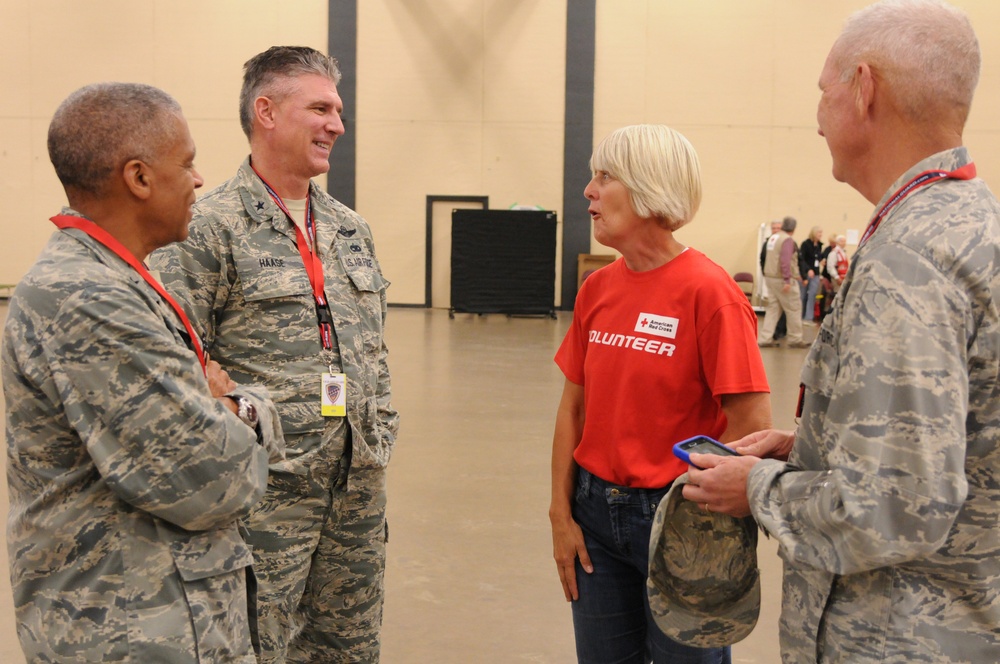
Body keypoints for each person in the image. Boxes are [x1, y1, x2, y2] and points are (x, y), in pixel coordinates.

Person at [682, 1, 1000, 661]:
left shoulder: (908, 261)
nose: (818, 118)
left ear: (864, 89)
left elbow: (901, 504)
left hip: (895, 635)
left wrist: (759, 489)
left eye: (824, 94)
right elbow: (958, 429)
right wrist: (811, 443)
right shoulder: (973, 223)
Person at [2, 82, 284, 662]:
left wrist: (216, 408)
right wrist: (245, 409)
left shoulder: (120, 280)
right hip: (127, 632)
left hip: (167, 620)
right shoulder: (87, 296)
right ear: (139, 178)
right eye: (186, 163)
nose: (198, 180)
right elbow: (210, 480)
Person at [149, 46, 399, 663]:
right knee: (254, 646)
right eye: (320, 108)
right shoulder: (208, 227)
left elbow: (370, 348)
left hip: (356, 484)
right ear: (266, 111)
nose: (337, 124)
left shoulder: (349, 228)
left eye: (338, 110)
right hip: (265, 495)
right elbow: (178, 365)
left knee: (348, 648)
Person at [548, 124, 771, 664]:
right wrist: (560, 512)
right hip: (594, 518)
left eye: (605, 177)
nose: (589, 191)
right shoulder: (597, 289)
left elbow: (751, 425)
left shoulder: (709, 293)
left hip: (679, 516)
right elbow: (573, 408)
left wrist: (688, 510)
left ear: (649, 189)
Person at [757, 216, 809, 348]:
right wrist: (787, 279)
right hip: (782, 279)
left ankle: (765, 338)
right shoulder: (787, 240)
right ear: (794, 228)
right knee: (794, 308)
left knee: (773, 309)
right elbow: (785, 261)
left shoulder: (773, 238)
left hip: (770, 277)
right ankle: (795, 338)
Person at [759, 219, 786, 340]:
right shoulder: (767, 243)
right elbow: (762, 259)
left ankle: (778, 332)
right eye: (774, 228)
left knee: (779, 307)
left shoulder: (784, 241)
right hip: (773, 278)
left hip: (781, 278)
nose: (776, 230)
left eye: (778, 228)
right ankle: (769, 335)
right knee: (774, 306)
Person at [798, 226, 824, 323]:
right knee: (803, 295)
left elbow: (817, 257)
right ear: (814, 233)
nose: (820, 235)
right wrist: (808, 269)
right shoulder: (805, 244)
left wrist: (822, 260)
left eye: (821, 233)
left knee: (812, 294)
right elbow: (802, 259)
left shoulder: (819, 245)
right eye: (819, 233)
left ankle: (808, 318)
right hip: (806, 273)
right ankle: (799, 316)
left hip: (816, 273)